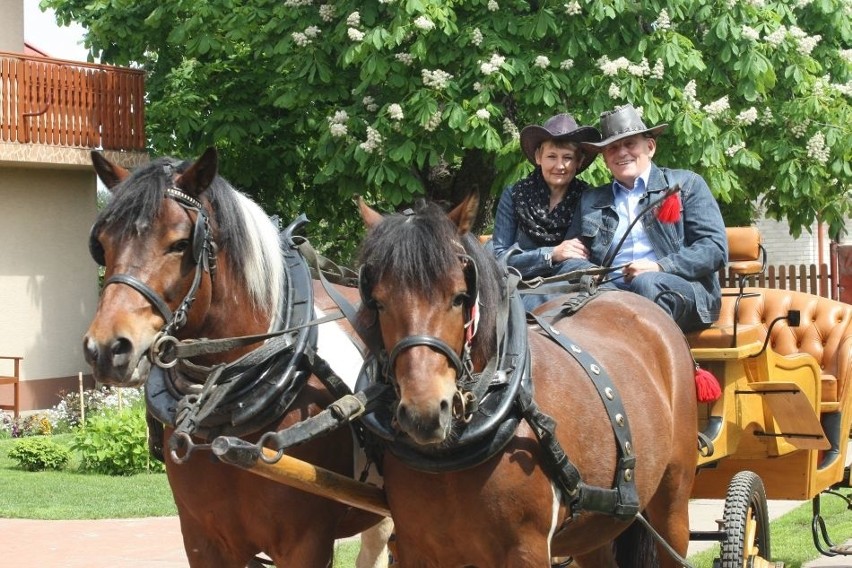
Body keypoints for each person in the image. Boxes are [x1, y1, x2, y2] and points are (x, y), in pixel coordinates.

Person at [564, 103, 728, 332]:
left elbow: (714, 250)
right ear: (604, 159)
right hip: (611, 293)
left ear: (650, 147)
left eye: (630, 144)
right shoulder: (591, 200)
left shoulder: (686, 185)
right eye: (612, 148)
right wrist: (588, 273)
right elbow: (572, 256)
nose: (621, 152)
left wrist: (659, 267)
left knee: (646, 283)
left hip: (680, 289)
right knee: (555, 298)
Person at [491, 113, 602, 310]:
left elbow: (581, 260)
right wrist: (551, 254)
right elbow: (500, 259)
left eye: (567, 158)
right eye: (552, 156)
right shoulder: (515, 195)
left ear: (579, 161)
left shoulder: (588, 198)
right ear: (538, 157)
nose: (559, 166)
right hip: (517, 286)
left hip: (566, 285)